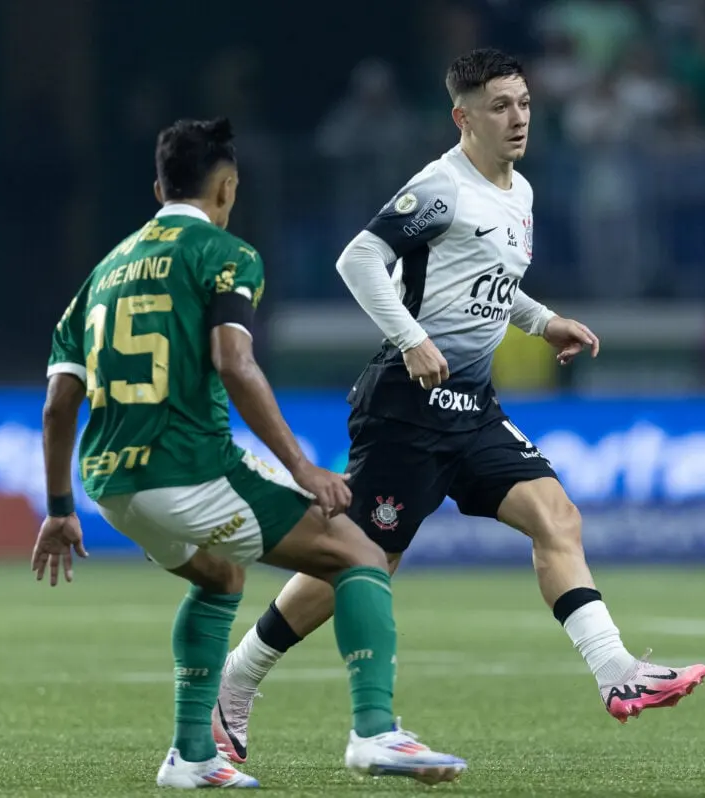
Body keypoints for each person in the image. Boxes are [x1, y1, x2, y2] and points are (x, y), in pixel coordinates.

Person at [214, 48, 705, 764]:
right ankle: (236, 681)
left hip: (472, 405)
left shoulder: (521, 193)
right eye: (500, 106)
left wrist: (545, 323)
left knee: (557, 515)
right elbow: (357, 258)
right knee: (363, 563)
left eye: (525, 104)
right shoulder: (440, 188)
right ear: (463, 115)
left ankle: (617, 672)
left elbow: (490, 282)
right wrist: (411, 337)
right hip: (406, 408)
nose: (518, 119)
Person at [32, 117, 465, 789]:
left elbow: (59, 404)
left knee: (220, 576)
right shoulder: (225, 254)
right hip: (191, 467)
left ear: (158, 187)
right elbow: (234, 363)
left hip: (108, 484)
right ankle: (376, 733)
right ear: (229, 186)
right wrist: (301, 467)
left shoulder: (102, 273)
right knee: (359, 553)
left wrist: (60, 509)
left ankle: (191, 756)